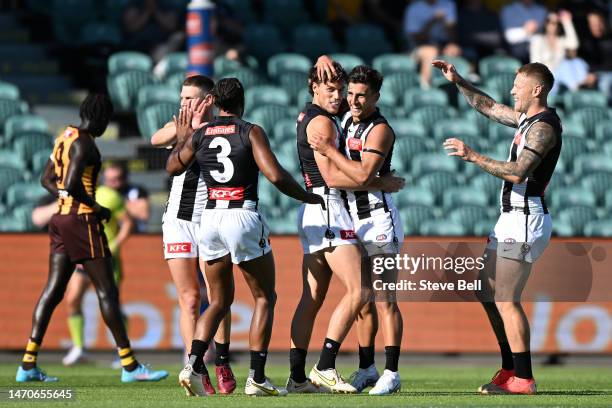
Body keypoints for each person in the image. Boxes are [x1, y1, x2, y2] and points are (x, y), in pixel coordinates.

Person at [167, 78, 324, 397]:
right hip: (242, 214)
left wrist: (184, 141)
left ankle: (193, 364)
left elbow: (173, 166)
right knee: (265, 297)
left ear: (215, 103)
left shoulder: (200, 134)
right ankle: (257, 377)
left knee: (219, 300)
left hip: (209, 219)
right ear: (242, 102)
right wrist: (308, 197)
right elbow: (276, 175)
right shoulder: (249, 131)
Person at [16, 94, 168, 383]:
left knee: (53, 291)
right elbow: (73, 183)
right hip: (82, 221)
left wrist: (63, 199)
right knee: (107, 292)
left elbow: (46, 179)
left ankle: (27, 364)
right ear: (100, 117)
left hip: (60, 220)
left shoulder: (66, 136)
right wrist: (96, 207)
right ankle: (130, 366)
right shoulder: (85, 143)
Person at [433, 59, 562, 395]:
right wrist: (458, 79)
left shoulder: (544, 127)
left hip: (524, 218)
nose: (512, 91)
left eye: (517, 86)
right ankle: (509, 369)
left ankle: (524, 378)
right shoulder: (526, 120)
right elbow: (487, 106)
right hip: (509, 218)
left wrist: (474, 156)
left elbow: (519, 172)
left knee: (506, 298)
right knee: (486, 292)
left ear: (537, 89)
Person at [286, 61, 405, 394]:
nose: (342, 97)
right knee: (360, 292)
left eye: (346, 91)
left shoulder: (339, 120)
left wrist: (323, 57)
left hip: (336, 213)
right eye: (335, 90)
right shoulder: (324, 121)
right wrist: (380, 180)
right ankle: (325, 366)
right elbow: (336, 177)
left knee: (318, 297)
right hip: (329, 210)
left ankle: (298, 378)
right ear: (313, 87)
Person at [151, 74, 236, 395]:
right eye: (182, 97)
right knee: (188, 299)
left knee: (218, 298)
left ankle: (223, 360)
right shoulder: (181, 126)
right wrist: (182, 131)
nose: (184, 103)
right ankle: (195, 367)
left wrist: (197, 132)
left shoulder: (220, 129)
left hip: (212, 220)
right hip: (178, 220)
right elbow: (155, 138)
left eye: (191, 98)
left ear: (209, 100)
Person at [62, 174, 134, 367]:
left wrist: (114, 246)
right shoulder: (74, 197)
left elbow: (127, 223)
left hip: (106, 257)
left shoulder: (109, 196)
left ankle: (124, 352)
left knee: (111, 304)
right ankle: (78, 348)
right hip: (85, 255)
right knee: (72, 298)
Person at [403, 0, 461, 87]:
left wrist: (448, 26)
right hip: (416, 47)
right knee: (431, 51)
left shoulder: (448, 4)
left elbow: (452, 36)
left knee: (454, 49)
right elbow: (417, 39)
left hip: (442, 45)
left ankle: (451, 88)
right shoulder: (413, 8)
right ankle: (426, 87)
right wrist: (433, 21)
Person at [103, 162, 150, 233]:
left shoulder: (136, 191)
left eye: (115, 179)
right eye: (108, 180)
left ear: (124, 178)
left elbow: (143, 215)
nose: (110, 183)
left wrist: (116, 206)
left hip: (133, 235)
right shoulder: (100, 193)